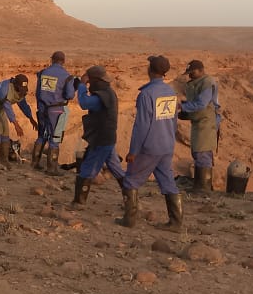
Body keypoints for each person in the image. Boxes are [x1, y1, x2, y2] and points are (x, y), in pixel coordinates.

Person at [118, 55, 182, 232]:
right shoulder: (170, 92)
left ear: (150, 70)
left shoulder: (146, 94)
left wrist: (133, 151)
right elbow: (173, 120)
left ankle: (129, 220)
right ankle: (176, 223)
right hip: (167, 145)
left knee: (131, 180)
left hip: (150, 147)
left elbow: (141, 126)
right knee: (168, 182)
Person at [71, 65, 125, 208]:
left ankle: (79, 202)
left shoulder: (101, 97)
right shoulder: (109, 92)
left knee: (87, 168)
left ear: (94, 80)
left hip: (101, 139)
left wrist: (82, 85)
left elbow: (84, 103)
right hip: (108, 137)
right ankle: (131, 200)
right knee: (116, 169)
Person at [179, 60, 221, 192]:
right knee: (198, 152)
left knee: (203, 152)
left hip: (206, 122)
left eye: (192, 72)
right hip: (199, 122)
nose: (190, 75)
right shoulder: (198, 82)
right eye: (189, 73)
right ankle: (200, 186)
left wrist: (182, 107)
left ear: (201, 70)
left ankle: (203, 188)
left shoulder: (207, 82)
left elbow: (201, 103)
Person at [33, 51, 76, 175]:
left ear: (52, 59)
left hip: (42, 108)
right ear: (63, 61)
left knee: (41, 135)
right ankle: (52, 168)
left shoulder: (43, 73)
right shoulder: (66, 76)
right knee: (55, 138)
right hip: (56, 110)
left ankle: (35, 163)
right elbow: (70, 95)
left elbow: (37, 92)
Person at [0, 74, 38, 169]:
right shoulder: (4, 89)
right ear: (15, 85)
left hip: (0, 110)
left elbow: (23, 105)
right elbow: (8, 108)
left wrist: (31, 118)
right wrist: (16, 125)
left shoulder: (20, 91)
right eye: (19, 89)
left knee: (5, 134)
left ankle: (4, 160)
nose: (20, 92)